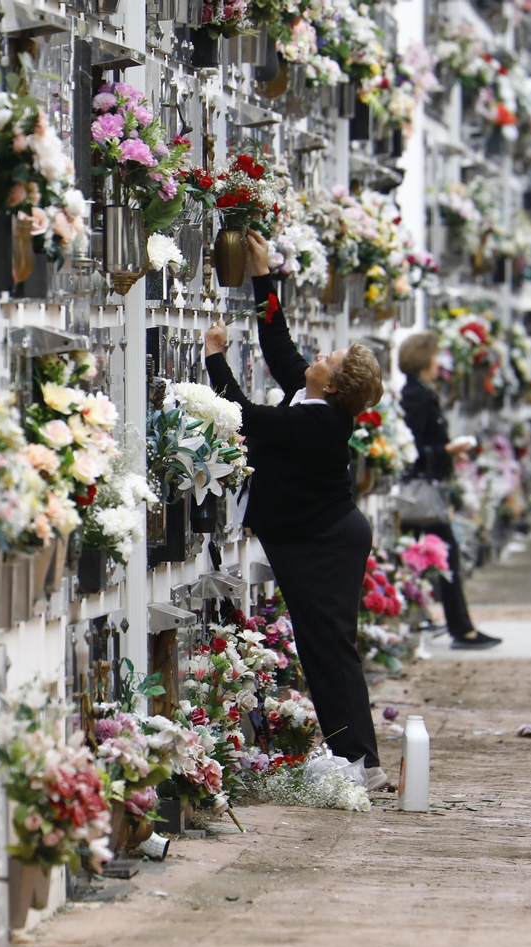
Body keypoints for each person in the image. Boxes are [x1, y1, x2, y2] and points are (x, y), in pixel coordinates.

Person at [203, 231, 388, 789]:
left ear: (331, 387)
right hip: (314, 536)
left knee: (330, 643)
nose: (318, 356)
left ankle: (362, 761)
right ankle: (353, 758)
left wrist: (214, 357)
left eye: (327, 359)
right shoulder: (310, 397)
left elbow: (247, 415)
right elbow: (278, 342)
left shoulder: (320, 421)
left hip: (324, 542)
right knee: (319, 642)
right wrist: (264, 276)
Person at [396, 331, 501, 650]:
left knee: (418, 557)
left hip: (425, 491)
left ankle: (424, 620)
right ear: (424, 359)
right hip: (421, 493)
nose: (439, 362)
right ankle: (462, 629)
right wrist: (448, 449)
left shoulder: (422, 392)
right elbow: (415, 446)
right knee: (447, 556)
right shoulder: (417, 395)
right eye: (435, 356)